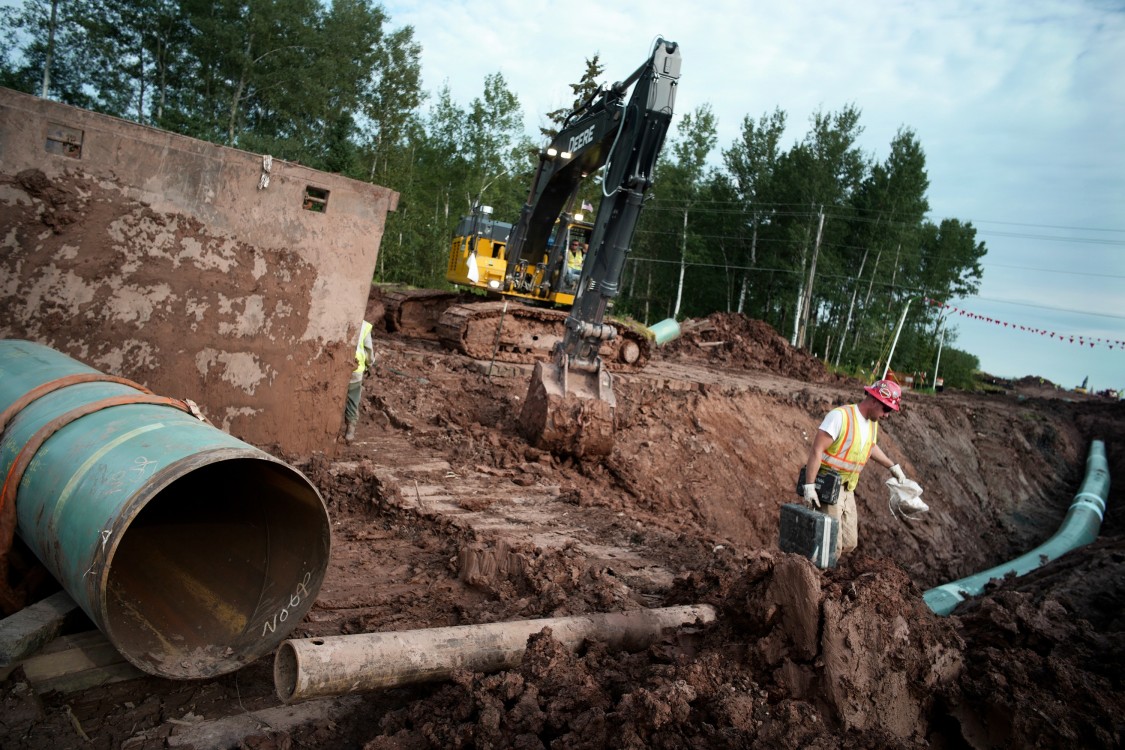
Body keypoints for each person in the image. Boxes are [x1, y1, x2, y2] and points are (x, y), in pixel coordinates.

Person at [801, 379, 916, 557]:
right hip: (828, 486)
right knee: (830, 547)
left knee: (849, 542)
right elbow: (817, 450)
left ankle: (820, 566)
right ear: (874, 401)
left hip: (848, 489)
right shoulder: (840, 417)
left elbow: (870, 446)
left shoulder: (872, 423)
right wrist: (809, 486)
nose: (887, 415)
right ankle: (815, 576)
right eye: (886, 409)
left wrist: (893, 466)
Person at [344, 319, 374, 444]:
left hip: (337, 367)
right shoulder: (364, 326)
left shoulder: (339, 319)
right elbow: (368, 350)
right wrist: (369, 364)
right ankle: (350, 430)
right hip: (356, 369)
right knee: (353, 398)